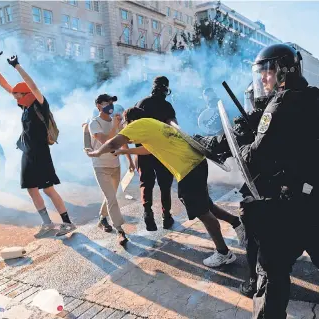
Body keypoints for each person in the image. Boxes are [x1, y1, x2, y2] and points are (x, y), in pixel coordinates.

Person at [199, 44, 319, 318]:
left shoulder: (283, 103)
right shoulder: (310, 95)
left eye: (267, 71)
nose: (262, 78)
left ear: (284, 70)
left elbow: (256, 155)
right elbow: (282, 137)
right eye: (260, 72)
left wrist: (228, 149)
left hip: (301, 197)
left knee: (272, 261)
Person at [86, 106, 246, 268]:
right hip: (195, 163)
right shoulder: (151, 124)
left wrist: (97, 153)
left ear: (130, 121)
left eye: (124, 125)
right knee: (205, 204)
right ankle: (237, 223)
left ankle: (224, 253)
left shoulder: (136, 125)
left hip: (187, 168)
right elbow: (148, 150)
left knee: (202, 212)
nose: (124, 128)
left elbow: (113, 142)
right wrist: (121, 152)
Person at [0, 51, 76, 237]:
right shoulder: (25, 107)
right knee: (31, 188)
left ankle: (67, 223)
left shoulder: (39, 104)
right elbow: (7, 87)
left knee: (48, 189)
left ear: (26, 94)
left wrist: (17, 66)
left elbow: (33, 86)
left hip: (40, 152)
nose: (15, 98)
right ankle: (48, 223)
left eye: (18, 95)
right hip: (27, 153)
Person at [87, 94, 134, 246]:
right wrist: (115, 125)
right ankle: (120, 230)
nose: (110, 105)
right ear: (99, 106)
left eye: (111, 102)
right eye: (106, 103)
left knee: (112, 196)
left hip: (115, 165)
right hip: (100, 165)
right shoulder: (94, 123)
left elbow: (123, 139)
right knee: (112, 198)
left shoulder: (116, 121)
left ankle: (102, 218)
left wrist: (129, 160)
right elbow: (106, 142)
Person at [132, 76, 176, 231]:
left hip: (143, 152)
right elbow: (174, 127)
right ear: (165, 89)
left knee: (146, 183)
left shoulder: (141, 103)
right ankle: (166, 216)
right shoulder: (167, 106)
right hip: (163, 152)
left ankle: (147, 212)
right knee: (165, 185)